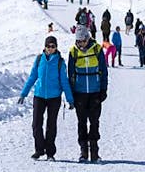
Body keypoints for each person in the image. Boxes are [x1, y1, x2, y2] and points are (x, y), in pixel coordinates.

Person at [19, 35, 75, 160]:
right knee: (36, 124)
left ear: (56, 47)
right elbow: (33, 77)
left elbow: (64, 82)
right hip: (39, 96)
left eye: (53, 46)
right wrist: (24, 93)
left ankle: (50, 152)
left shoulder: (60, 62)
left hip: (54, 98)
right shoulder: (39, 60)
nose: (50, 49)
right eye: (48, 46)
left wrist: (70, 99)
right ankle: (39, 150)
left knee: (51, 125)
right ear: (44, 47)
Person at [68, 27, 108, 162]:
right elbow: (71, 74)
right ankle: (83, 151)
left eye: (83, 41)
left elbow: (103, 70)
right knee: (81, 123)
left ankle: (95, 152)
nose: (81, 44)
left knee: (94, 122)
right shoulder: (73, 52)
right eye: (78, 41)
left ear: (87, 38)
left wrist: (103, 89)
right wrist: (71, 92)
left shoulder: (97, 49)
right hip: (80, 93)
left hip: (95, 92)